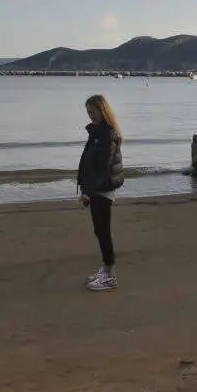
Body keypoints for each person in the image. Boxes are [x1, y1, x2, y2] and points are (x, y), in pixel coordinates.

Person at [76, 93, 125, 291]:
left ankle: (110, 275)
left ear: (102, 110)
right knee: (100, 231)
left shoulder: (107, 134)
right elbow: (88, 161)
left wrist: (88, 191)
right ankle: (106, 270)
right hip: (96, 188)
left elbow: (102, 167)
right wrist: (83, 184)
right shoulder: (96, 132)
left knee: (103, 231)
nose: (90, 115)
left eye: (93, 111)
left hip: (102, 189)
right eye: (88, 112)